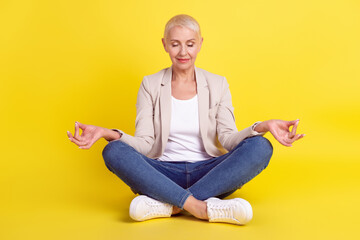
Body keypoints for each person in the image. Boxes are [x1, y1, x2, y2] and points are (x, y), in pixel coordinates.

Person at [67, 14, 305, 225]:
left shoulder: (217, 84)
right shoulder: (150, 84)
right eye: (175, 44)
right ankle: (201, 208)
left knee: (260, 146)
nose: (183, 52)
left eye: (190, 44)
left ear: (200, 44)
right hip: (161, 172)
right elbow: (145, 144)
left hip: (210, 173)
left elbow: (230, 140)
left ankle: (169, 205)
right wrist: (108, 133)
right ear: (165, 45)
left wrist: (264, 126)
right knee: (113, 151)